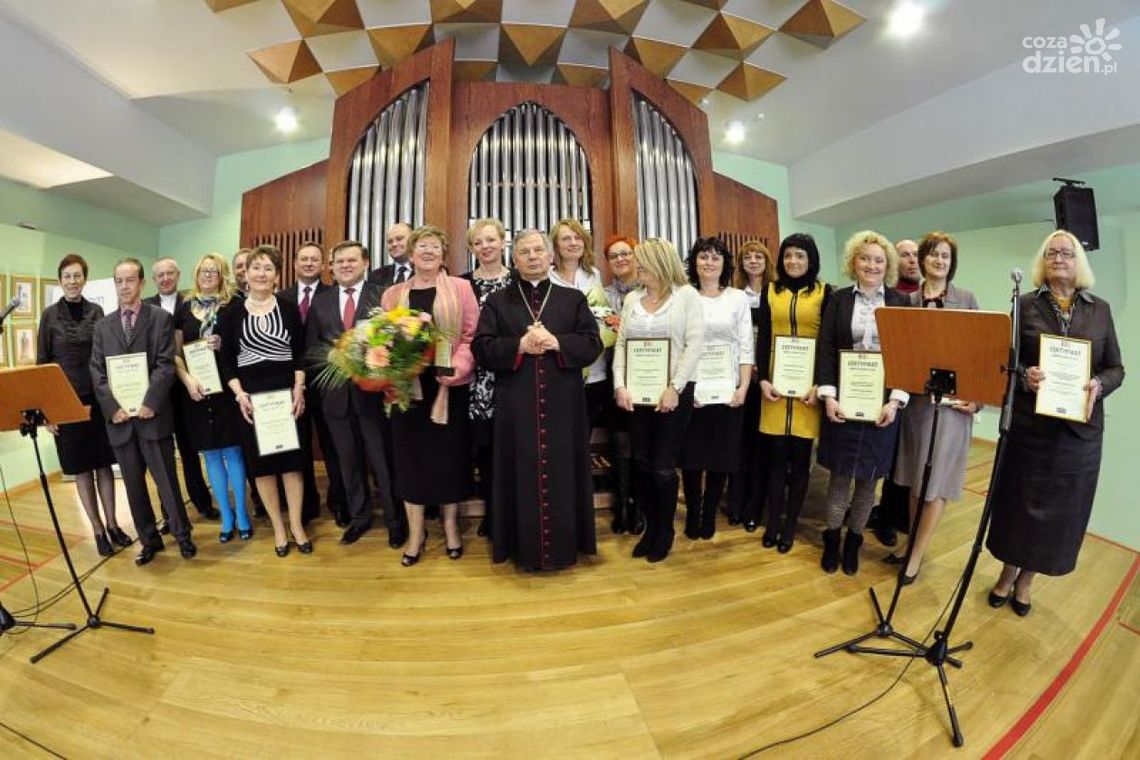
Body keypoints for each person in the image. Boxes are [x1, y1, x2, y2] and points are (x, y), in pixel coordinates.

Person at [986, 230, 1124, 617]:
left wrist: (1099, 384)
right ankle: (1007, 571)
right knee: (1018, 506)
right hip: (1031, 430)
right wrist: (1025, 374)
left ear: (1079, 261)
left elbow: (1116, 367)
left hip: (1078, 435)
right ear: (1042, 263)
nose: (1059, 258)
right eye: (1051, 253)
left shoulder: (1100, 309)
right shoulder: (1026, 305)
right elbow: (1006, 361)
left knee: (1060, 514)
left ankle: (1027, 581)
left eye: (1067, 252)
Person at [472, 229, 602, 569]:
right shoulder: (497, 302)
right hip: (516, 408)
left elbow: (592, 344)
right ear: (514, 260)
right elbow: (481, 348)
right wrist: (519, 346)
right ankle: (521, 549)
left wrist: (558, 342)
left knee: (562, 474)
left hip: (563, 407)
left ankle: (564, 548)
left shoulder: (572, 299)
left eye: (537, 251)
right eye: (524, 252)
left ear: (550, 257)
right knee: (519, 473)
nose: (532, 256)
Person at [380, 225, 479, 566]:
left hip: (448, 387)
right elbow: (384, 339)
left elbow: (470, 336)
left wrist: (458, 368)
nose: (427, 251)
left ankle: (451, 526)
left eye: (434, 246)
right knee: (411, 463)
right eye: (421, 246)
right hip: (408, 391)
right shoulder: (393, 294)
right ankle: (416, 532)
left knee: (449, 461)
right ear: (410, 253)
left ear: (443, 252)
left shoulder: (462, 288)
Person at [885, 232, 980, 583]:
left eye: (946, 256)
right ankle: (912, 546)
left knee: (935, 483)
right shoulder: (907, 304)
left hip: (953, 410)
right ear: (922, 260)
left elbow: (982, 354)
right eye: (934, 255)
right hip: (919, 407)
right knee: (915, 480)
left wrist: (978, 400)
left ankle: (916, 556)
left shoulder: (967, 299)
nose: (940, 261)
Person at [90, 258, 197, 566]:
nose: (124, 286)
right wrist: (112, 408)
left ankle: (183, 535)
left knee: (166, 481)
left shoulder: (160, 318)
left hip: (154, 416)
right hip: (121, 422)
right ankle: (149, 539)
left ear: (141, 283)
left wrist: (150, 401)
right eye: (119, 281)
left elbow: (165, 363)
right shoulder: (103, 326)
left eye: (129, 280)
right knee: (134, 486)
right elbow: (96, 372)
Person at [816, 231, 909, 575]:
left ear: (888, 266)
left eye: (878, 260)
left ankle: (854, 541)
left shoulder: (900, 302)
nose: (871, 265)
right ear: (853, 262)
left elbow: (907, 356)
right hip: (842, 400)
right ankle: (832, 539)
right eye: (865, 258)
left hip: (881, 405)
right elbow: (826, 348)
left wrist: (896, 402)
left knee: (869, 480)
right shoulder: (838, 299)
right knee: (840, 477)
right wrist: (828, 396)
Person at [305, 240, 406, 547]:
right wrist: (332, 358)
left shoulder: (382, 296)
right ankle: (360, 517)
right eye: (339, 262)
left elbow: (396, 344)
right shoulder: (320, 303)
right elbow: (311, 348)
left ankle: (394, 521)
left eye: (352, 260)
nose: (345, 266)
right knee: (347, 462)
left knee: (382, 462)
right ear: (332, 268)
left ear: (365, 263)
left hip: (374, 397)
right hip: (336, 398)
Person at [217, 245, 313, 558]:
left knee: (292, 466)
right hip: (251, 402)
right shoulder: (230, 313)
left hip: (287, 397)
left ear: (277, 275)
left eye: (268, 268)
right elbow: (226, 361)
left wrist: (299, 389)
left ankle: (297, 525)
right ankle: (279, 529)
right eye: (255, 267)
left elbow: (300, 353)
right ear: (245, 274)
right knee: (262, 469)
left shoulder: (288, 308)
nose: (261, 273)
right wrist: (239, 395)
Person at [613, 238, 704, 563]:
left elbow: (694, 345)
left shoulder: (687, 296)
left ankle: (665, 531)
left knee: (663, 467)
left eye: (641, 262)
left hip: (673, 394)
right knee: (641, 462)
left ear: (657, 263)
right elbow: (622, 344)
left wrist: (675, 388)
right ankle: (650, 528)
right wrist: (620, 385)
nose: (635, 267)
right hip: (637, 395)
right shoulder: (633, 299)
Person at [38, 254, 131, 557]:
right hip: (65, 404)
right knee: (81, 469)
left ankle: (114, 524)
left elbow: (105, 357)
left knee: (104, 464)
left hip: (98, 401)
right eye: (67, 276)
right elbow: (42, 366)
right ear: (60, 280)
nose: (72, 281)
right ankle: (98, 529)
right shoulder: (49, 316)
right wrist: (47, 412)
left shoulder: (97, 312)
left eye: (77, 276)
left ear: (85, 279)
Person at [757, 234, 831, 552]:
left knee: (800, 460)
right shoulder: (770, 290)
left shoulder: (826, 293)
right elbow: (762, 339)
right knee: (774, 458)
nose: (793, 261)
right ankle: (773, 522)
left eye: (800, 255)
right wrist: (762, 379)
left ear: (811, 259)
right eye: (788, 255)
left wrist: (819, 385)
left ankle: (790, 526)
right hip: (774, 385)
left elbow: (827, 342)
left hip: (807, 390)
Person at [678, 237, 753, 541]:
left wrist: (744, 386)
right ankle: (693, 513)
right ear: (695, 262)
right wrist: (685, 387)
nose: (709, 262)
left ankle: (709, 515)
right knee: (692, 458)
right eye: (703, 257)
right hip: (692, 388)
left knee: (720, 458)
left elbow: (746, 344)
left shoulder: (737, 298)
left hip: (728, 389)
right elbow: (679, 344)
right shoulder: (683, 296)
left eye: (716, 257)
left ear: (725, 264)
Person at [173, 254, 251, 544]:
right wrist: (187, 380)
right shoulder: (184, 308)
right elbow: (175, 353)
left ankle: (242, 513)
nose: (208, 275)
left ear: (222, 275)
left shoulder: (234, 306)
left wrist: (224, 343)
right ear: (196, 274)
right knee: (210, 455)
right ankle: (227, 517)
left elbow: (244, 345)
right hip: (195, 391)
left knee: (232, 452)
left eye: (214, 271)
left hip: (227, 390)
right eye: (204, 271)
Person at [277, 241, 346, 526]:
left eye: (314, 259)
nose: (308, 263)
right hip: (291, 384)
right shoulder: (281, 297)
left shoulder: (334, 294)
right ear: (294, 263)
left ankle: (339, 501)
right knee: (298, 446)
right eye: (303, 259)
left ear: (323, 265)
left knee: (334, 446)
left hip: (329, 382)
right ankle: (305, 505)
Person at [145, 257, 217, 522]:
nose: (165, 278)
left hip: (188, 387)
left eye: (169, 273)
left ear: (178, 274)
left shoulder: (192, 302)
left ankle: (202, 503)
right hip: (158, 392)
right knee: (163, 456)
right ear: (154, 280)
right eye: (160, 275)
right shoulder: (146, 307)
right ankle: (169, 511)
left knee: (189, 449)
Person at [869, 237, 922, 548]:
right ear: (894, 261)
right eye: (905, 255)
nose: (912, 260)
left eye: (917, 254)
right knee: (891, 457)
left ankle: (900, 516)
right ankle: (885, 516)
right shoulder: (891, 297)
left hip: (917, 392)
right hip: (885, 388)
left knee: (909, 460)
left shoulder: (926, 295)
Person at [462, 218, 513, 539]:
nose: (486, 247)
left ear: (503, 242)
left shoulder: (519, 281)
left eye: (491, 240)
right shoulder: (462, 283)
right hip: (474, 381)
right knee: (484, 449)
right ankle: (492, 510)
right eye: (478, 242)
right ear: (471, 248)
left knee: (510, 450)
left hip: (511, 377)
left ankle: (509, 511)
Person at [727, 239, 775, 532]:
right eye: (748, 257)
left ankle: (756, 506)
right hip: (742, 378)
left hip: (769, 379)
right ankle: (736, 503)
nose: (753, 261)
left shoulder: (777, 293)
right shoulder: (734, 295)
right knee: (740, 445)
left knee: (763, 447)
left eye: (759, 256)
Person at [549, 219, 610, 429]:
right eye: (566, 238)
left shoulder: (594, 275)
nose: (573, 243)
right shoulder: (547, 277)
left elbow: (601, 315)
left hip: (594, 367)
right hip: (558, 365)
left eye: (578, 238)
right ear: (556, 245)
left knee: (586, 427)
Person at [602, 234, 644, 535]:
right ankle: (623, 505)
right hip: (613, 376)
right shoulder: (602, 295)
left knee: (641, 443)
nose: (620, 259)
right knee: (619, 445)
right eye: (614, 255)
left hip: (647, 376)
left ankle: (640, 504)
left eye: (625, 253)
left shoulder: (650, 291)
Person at [367, 222, 414, 289]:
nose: (394, 244)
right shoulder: (375, 276)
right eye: (390, 241)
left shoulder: (425, 272)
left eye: (399, 239)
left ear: (413, 240)